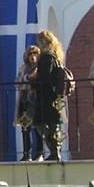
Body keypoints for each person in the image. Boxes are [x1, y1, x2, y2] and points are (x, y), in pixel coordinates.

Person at [33, 29, 66, 162]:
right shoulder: (55, 57)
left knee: (41, 124)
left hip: (45, 97)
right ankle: (55, 150)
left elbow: (44, 78)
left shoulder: (46, 58)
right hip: (53, 96)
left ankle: (54, 150)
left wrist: (34, 81)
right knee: (52, 124)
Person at [16, 46, 41, 162]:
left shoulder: (39, 67)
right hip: (24, 99)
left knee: (38, 127)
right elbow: (17, 82)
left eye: (35, 54)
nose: (32, 56)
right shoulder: (23, 67)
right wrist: (27, 78)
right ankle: (27, 153)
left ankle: (39, 153)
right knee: (25, 127)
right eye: (30, 54)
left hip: (35, 100)